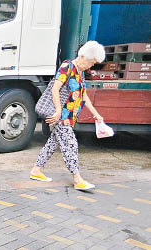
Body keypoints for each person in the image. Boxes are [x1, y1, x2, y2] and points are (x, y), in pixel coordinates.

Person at [30, 41, 105, 190]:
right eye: (91, 62)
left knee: (53, 144)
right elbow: (55, 89)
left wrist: (96, 114)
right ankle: (77, 180)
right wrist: (58, 111)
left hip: (69, 117)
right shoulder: (67, 67)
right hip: (61, 116)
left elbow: (83, 96)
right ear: (83, 56)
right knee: (71, 144)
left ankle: (36, 170)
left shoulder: (80, 73)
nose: (90, 67)